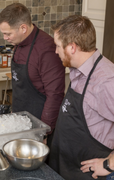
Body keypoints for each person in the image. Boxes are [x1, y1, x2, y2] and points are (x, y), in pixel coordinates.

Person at [49, 15, 114, 180]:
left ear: (72, 47)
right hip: (64, 166)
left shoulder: (106, 81)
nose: (55, 51)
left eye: (57, 46)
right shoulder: (78, 69)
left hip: (86, 174)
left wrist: (109, 165)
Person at [0, 3, 65, 140]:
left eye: (7, 33)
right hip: (20, 122)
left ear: (23, 28)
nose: (5, 38)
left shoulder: (47, 50)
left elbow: (55, 94)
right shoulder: (19, 43)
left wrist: (43, 131)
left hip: (39, 125)